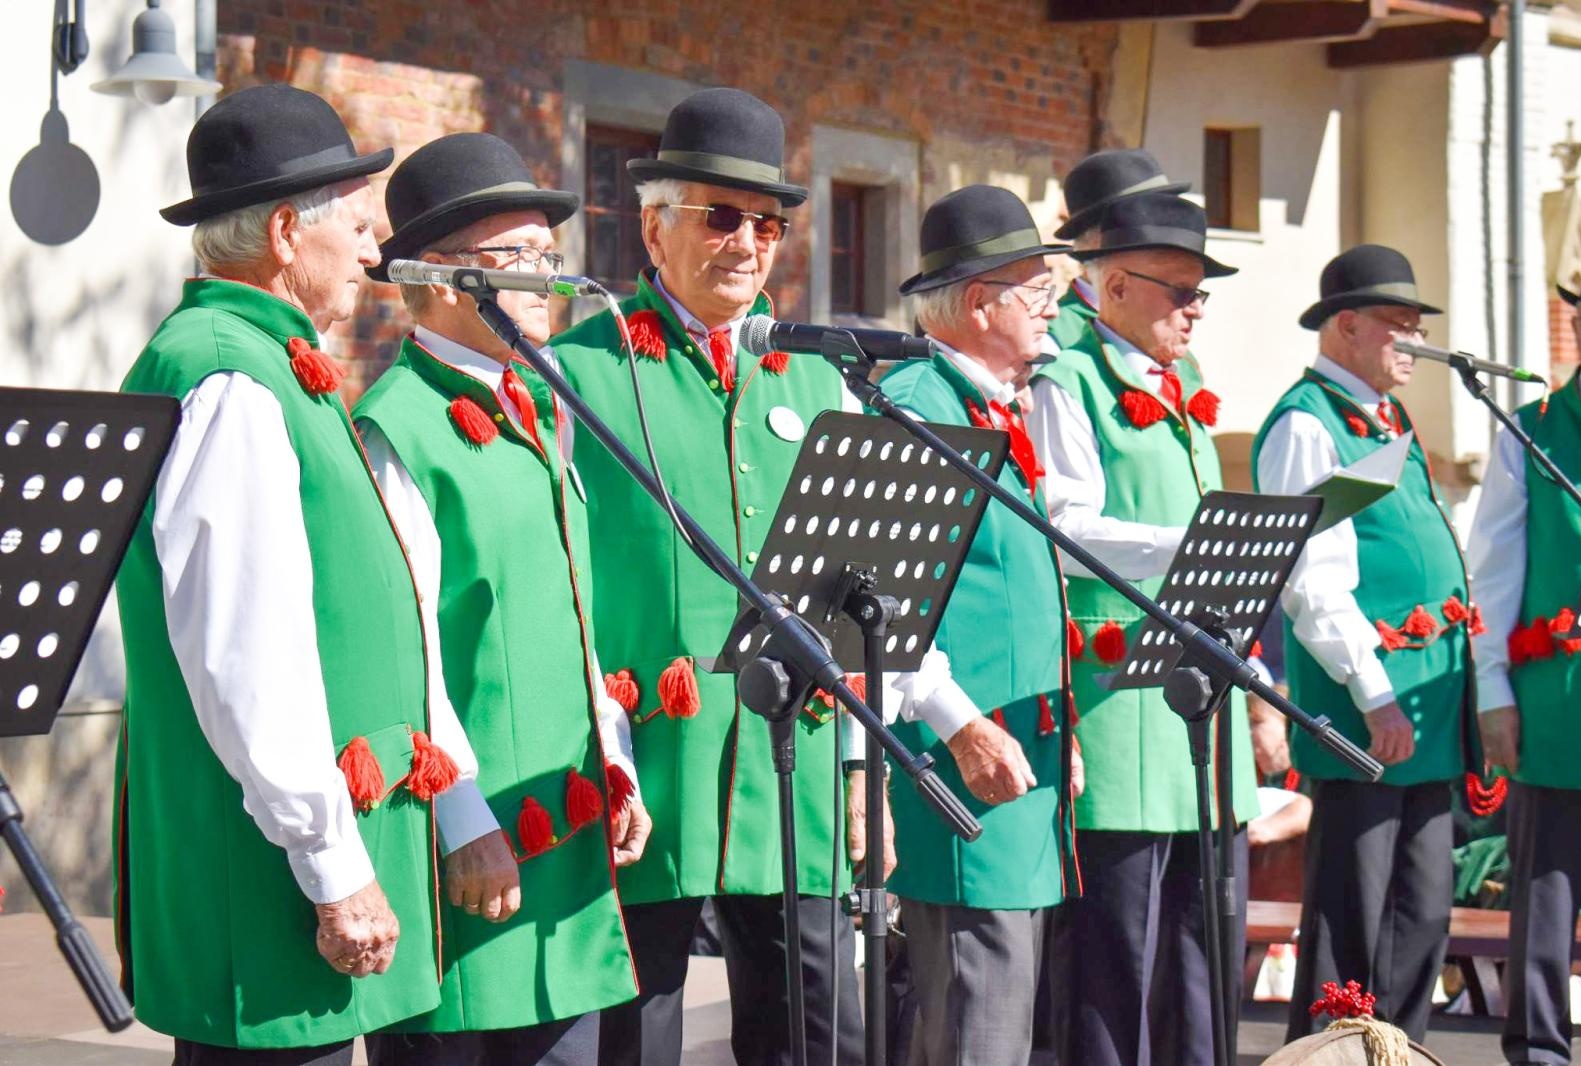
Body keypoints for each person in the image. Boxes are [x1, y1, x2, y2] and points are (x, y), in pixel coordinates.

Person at [548, 87, 1018, 1066]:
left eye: (768, 223)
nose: (748, 242)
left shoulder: (812, 373)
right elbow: (563, 589)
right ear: (653, 226)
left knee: (821, 1036)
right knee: (639, 1038)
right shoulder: (578, 369)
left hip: (788, 771)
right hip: (651, 775)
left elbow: (859, 587)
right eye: (721, 216)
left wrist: (906, 745)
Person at [116, 84, 501, 1064]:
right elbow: (243, 654)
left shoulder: (265, 363)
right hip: (268, 885)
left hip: (285, 871)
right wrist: (332, 864)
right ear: (287, 232)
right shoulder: (233, 375)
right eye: (359, 225)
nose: (375, 251)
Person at [353, 132, 651, 1065]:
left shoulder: (544, 403)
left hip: (564, 834)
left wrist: (617, 752)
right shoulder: (392, 426)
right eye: (518, 258)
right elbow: (411, 651)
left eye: (548, 256)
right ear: (441, 278)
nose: (548, 278)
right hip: (473, 845)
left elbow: (571, 611)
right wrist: (462, 820)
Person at [1026, 191, 1257, 1066]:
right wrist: (1194, 541)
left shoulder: (1185, 383)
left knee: (1203, 963)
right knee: (1115, 965)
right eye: (1180, 291)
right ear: (1115, 285)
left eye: (1203, 293)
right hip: (1120, 709)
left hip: (1199, 703)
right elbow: (1064, 524)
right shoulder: (1067, 376)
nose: (1195, 309)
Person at [1253, 244, 1480, 1044]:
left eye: (1418, 327)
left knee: (1419, 913)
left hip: (1426, 706)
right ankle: (1332, 1058)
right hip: (1366, 712)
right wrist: (1374, 691)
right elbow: (1310, 579)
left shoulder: (1384, 417)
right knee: (1353, 915)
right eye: (1398, 326)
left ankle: (1401, 1054)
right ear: (1346, 325)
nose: (1413, 343)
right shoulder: (1305, 424)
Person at [878, 184, 1080, 1066]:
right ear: (976, 303)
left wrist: (1057, 724)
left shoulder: (990, 400)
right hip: (963, 755)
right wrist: (964, 728)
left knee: (1002, 1013)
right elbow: (889, 603)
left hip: (1015, 751)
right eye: (1034, 289)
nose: (1051, 308)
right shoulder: (920, 401)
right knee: (977, 1018)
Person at [1470, 254, 1581, 1066]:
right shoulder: (1531, 427)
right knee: (1546, 882)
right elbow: (1492, 569)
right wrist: (1491, 689)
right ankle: (1539, 1050)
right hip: (1555, 687)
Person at [1044, 149, 1189, 356]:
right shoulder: (1052, 340)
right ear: (1101, 239)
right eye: (1151, 225)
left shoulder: (1168, 327)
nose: (1168, 237)